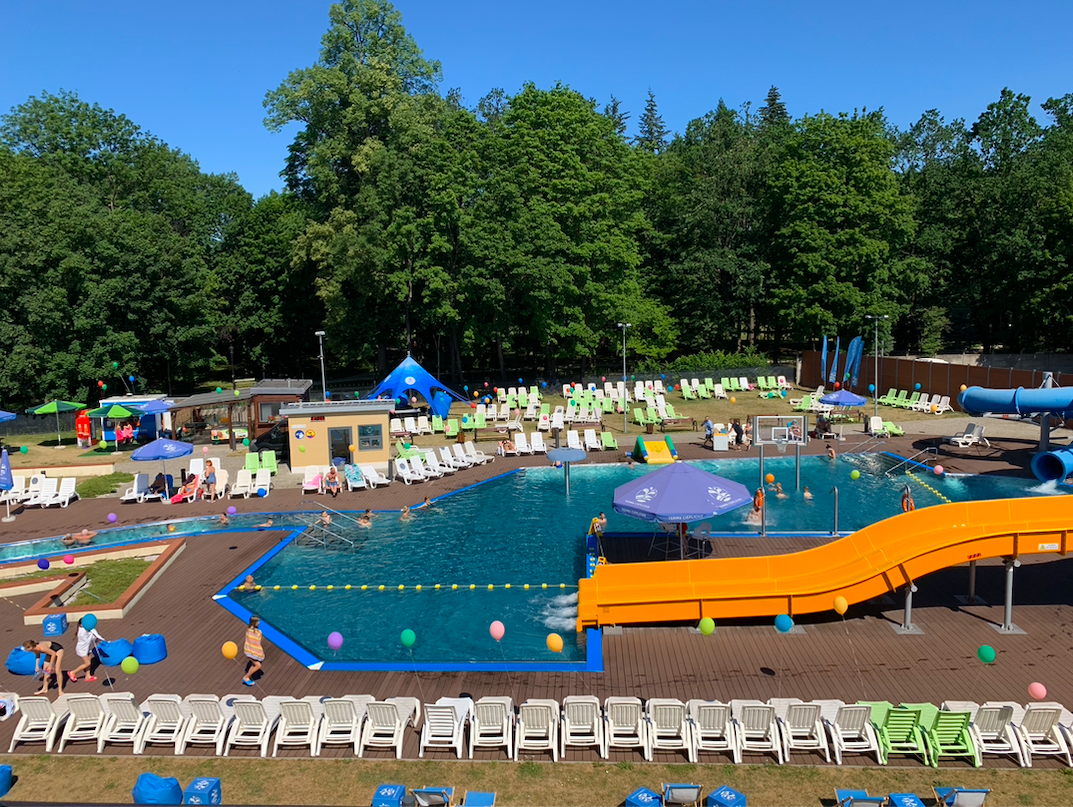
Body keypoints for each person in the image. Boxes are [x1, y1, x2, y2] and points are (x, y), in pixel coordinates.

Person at [68, 618, 104, 683]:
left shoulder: (88, 629)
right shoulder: (82, 631)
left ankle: (88, 676)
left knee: (89, 661)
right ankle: (72, 672)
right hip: (82, 650)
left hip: (87, 648)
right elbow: (88, 638)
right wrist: (94, 637)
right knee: (87, 663)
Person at [241, 616, 264, 686]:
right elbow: (257, 641)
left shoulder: (248, 631)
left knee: (254, 664)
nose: (259, 622)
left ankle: (248, 676)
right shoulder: (258, 632)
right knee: (258, 665)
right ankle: (246, 677)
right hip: (251, 652)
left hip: (249, 651)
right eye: (258, 621)